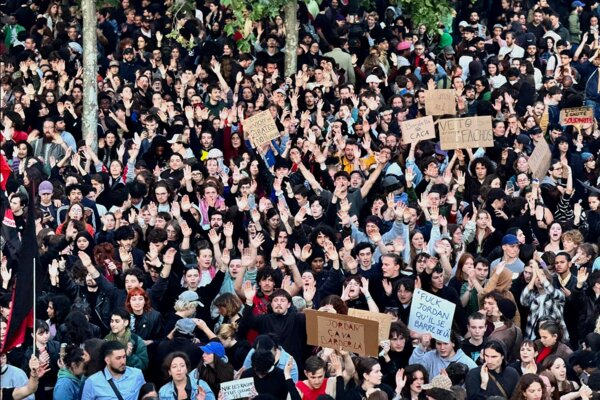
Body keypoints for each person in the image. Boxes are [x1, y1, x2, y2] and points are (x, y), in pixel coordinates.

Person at [80, 341, 146, 400]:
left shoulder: (136, 374)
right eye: (118, 358)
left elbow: (146, 395)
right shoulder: (92, 382)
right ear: (107, 360)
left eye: (124, 357)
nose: (123, 361)